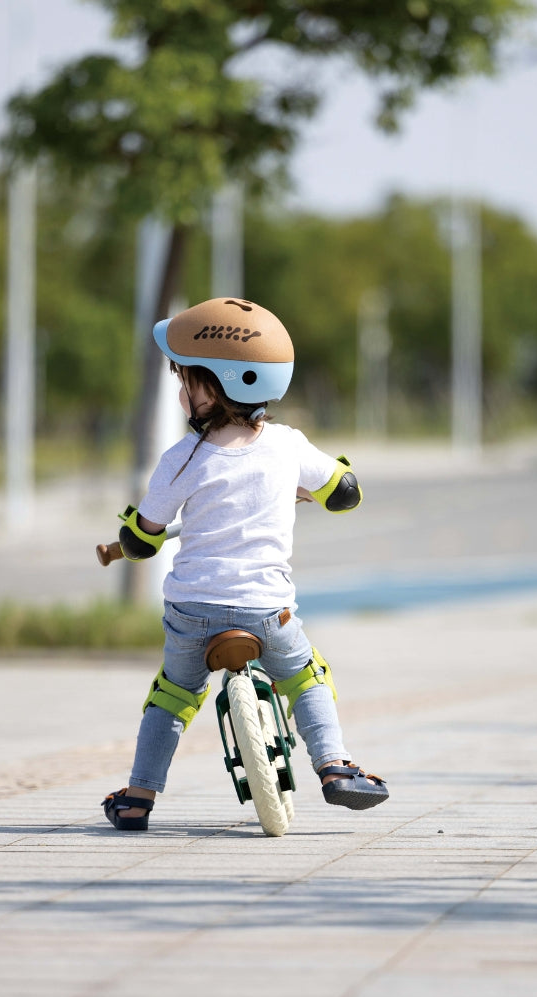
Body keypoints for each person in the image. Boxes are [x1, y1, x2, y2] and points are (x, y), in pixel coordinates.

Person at [102, 297, 389, 831]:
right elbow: (345, 492)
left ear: (216, 386)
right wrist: (317, 488)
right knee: (307, 676)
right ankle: (334, 766)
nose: (183, 392)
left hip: (191, 613)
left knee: (172, 694)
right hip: (267, 611)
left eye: (187, 381)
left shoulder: (182, 459)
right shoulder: (287, 446)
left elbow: (143, 540)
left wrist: (133, 535)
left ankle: (138, 796)